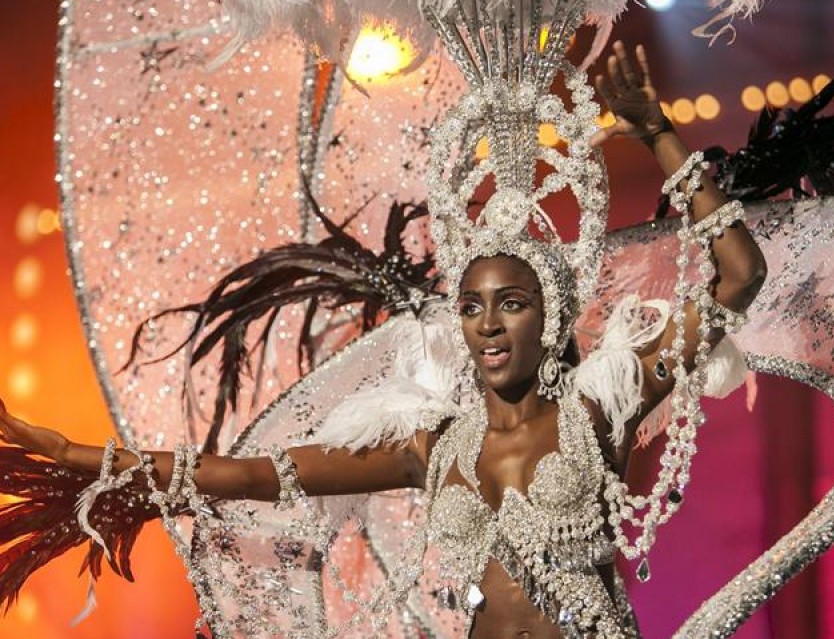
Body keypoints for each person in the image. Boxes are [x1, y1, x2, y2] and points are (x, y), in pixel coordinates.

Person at [1, 39, 765, 638]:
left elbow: (738, 275)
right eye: (472, 305)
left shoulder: (599, 409)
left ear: (551, 318)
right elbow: (252, 475)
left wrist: (662, 136)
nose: (489, 322)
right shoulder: (433, 447)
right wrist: (75, 453)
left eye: (512, 304)